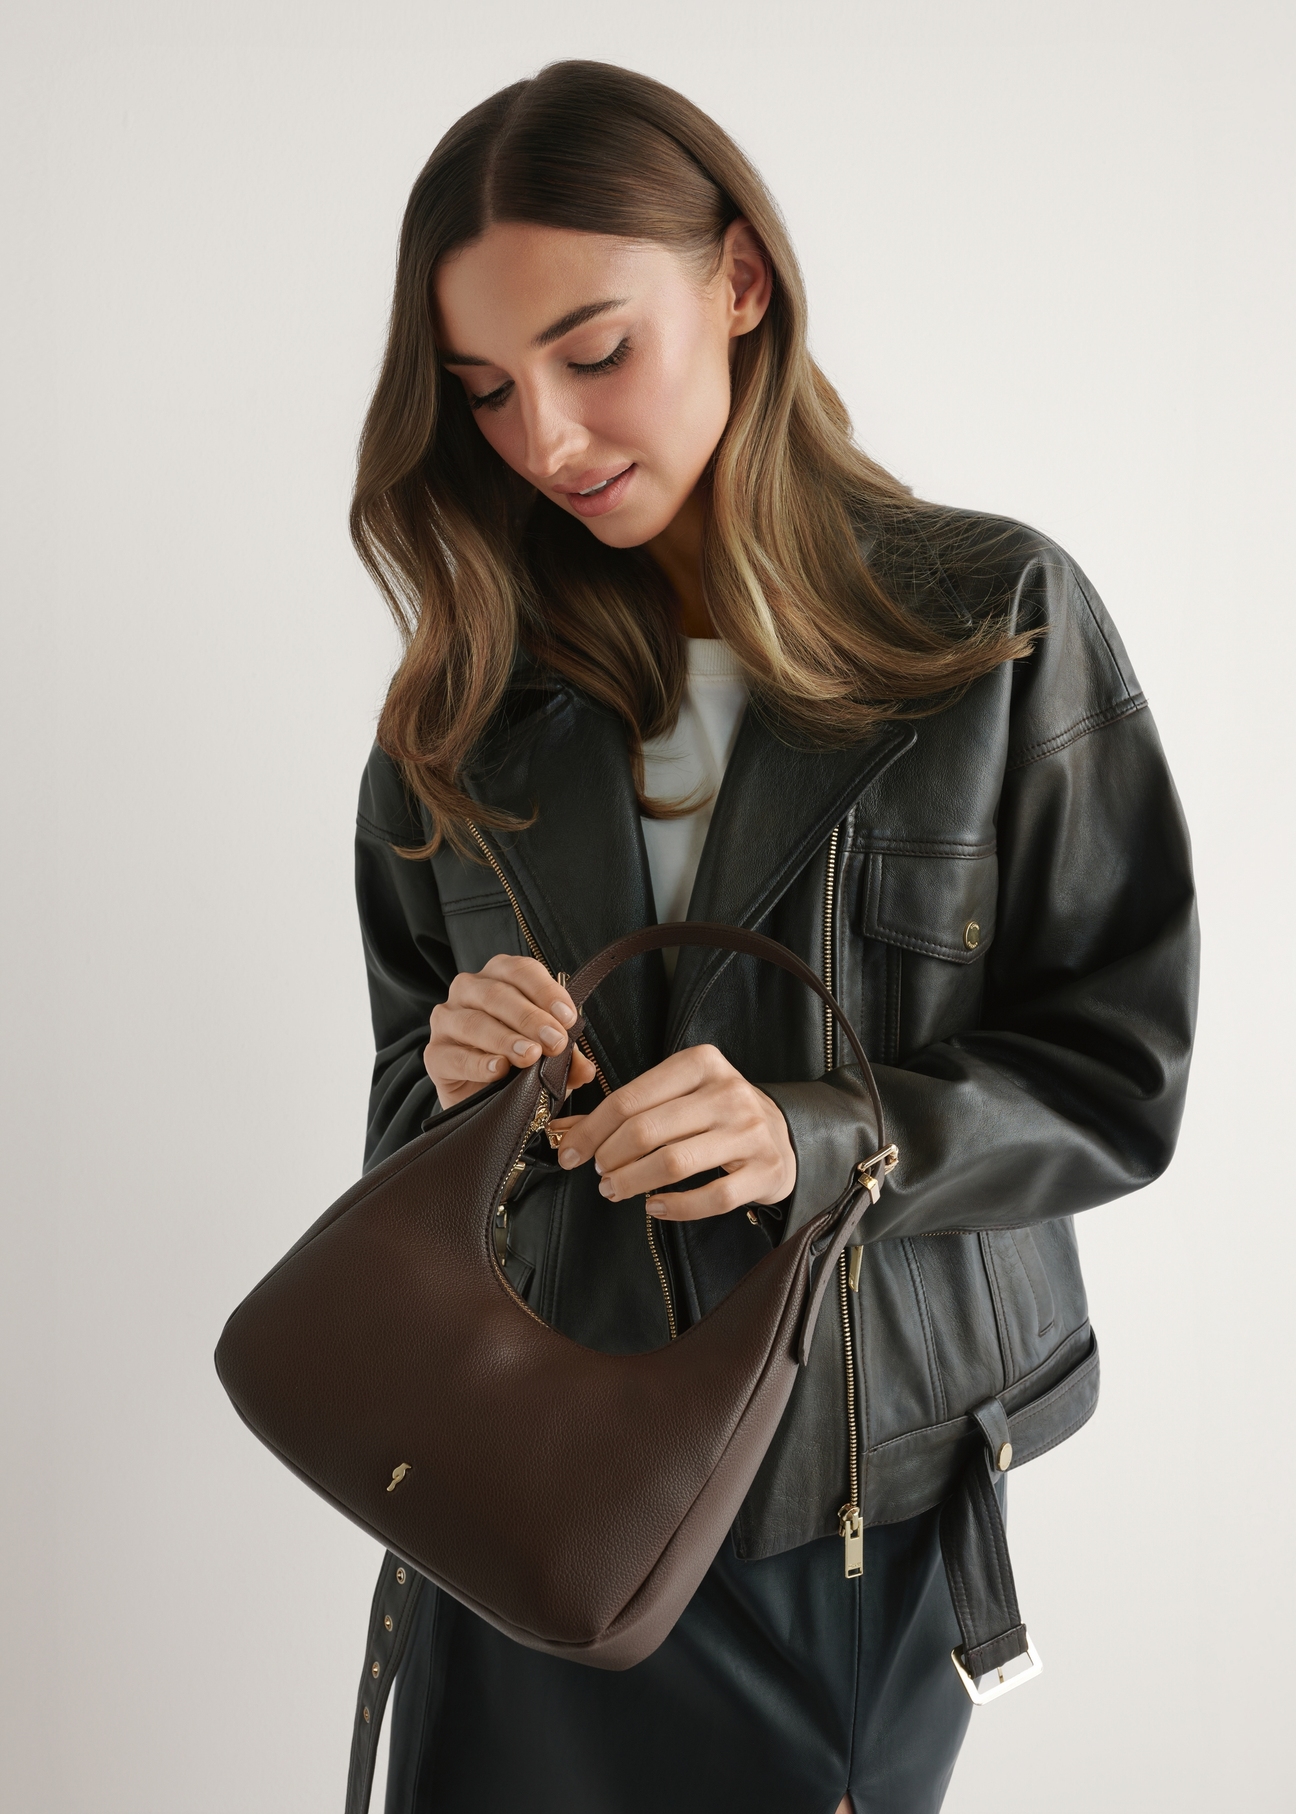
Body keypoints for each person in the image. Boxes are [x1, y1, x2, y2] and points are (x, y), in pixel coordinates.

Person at [343, 60, 1197, 1814]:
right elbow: (397, 1159)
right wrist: (457, 1087)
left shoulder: (994, 626)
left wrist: (812, 1137)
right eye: (487, 390)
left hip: (845, 1518)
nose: (548, 442)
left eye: (594, 351)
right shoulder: (461, 716)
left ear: (740, 281)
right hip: (521, 1510)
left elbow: (1120, 1074)